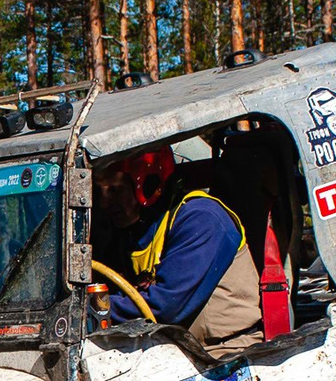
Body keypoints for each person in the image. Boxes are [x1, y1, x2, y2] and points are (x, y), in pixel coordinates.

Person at [100, 145, 261, 347]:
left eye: (115, 190)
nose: (105, 203)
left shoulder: (201, 218)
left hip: (223, 352)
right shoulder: (131, 231)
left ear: (149, 184)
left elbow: (165, 306)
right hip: (174, 350)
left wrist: (92, 308)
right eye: (100, 191)